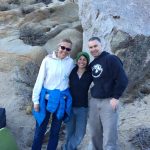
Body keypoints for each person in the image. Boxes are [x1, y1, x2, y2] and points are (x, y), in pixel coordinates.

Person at [31, 39, 74, 150]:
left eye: (68, 49)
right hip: (45, 99)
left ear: (70, 51)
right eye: (63, 47)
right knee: (40, 129)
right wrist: (35, 100)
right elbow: (40, 79)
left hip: (60, 101)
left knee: (55, 131)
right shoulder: (47, 60)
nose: (64, 51)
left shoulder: (70, 63)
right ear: (58, 46)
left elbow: (70, 80)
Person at [88, 37, 128, 150]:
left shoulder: (111, 59)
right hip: (94, 102)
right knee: (95, 134)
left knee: (109, 135)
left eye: (95, 46)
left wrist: (116, 97)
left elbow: (123, 79)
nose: (93, 49)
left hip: (108, 101)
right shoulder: (92, 64)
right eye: (91, 47)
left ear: (101, 45)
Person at [63, 52, 92, 150]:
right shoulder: (72, 70)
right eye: (80, 59)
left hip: (82, 108)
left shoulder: (89, 73)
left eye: (84, 59)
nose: (82, 61)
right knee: (70, 133)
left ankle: (67, 148)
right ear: (77, 60)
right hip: (70, 106)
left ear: (87, 61)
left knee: (80, 134)